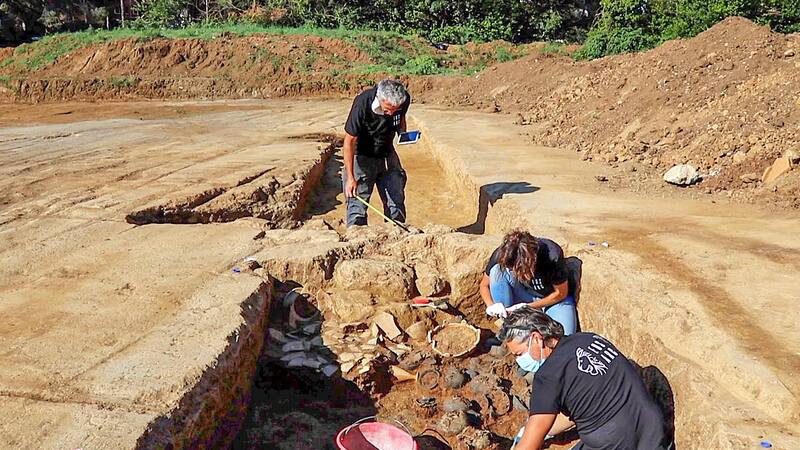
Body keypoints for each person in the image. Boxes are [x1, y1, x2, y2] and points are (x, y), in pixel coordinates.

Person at [500, 308, 668, 450]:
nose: (519, 361)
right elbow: (579, 409)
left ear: (536, 338)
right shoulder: (587, 338)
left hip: (614, 442)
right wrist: (538, 430)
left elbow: (529, 445)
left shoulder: (548, 375)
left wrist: (529, 435)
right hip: (653, 432)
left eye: (519, 354)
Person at [480, 230, 577, 335]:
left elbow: (561, 293)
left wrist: (529, 307)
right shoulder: (503, 254)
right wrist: (491, 306)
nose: (515, 273)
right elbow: (484, 285)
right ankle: (510, 324)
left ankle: (523, 326)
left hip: (554, 301)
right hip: (525, 294)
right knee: (497, 271)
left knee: (563, 336)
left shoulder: (551, 255)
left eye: (518, 269)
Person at [342, 79, 411, 227]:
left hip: (387, 153)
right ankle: (357, 237)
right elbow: (349, 142)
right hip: (361, 155)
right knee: (357, 205)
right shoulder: (363, 102)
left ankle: (396, 231)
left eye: (395, 109)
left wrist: (402, 133)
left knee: (395, 199)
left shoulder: (403, 100)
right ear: (380, 98)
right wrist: (350, 177)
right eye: (387, 109)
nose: (391, 113)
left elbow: (401, 118)